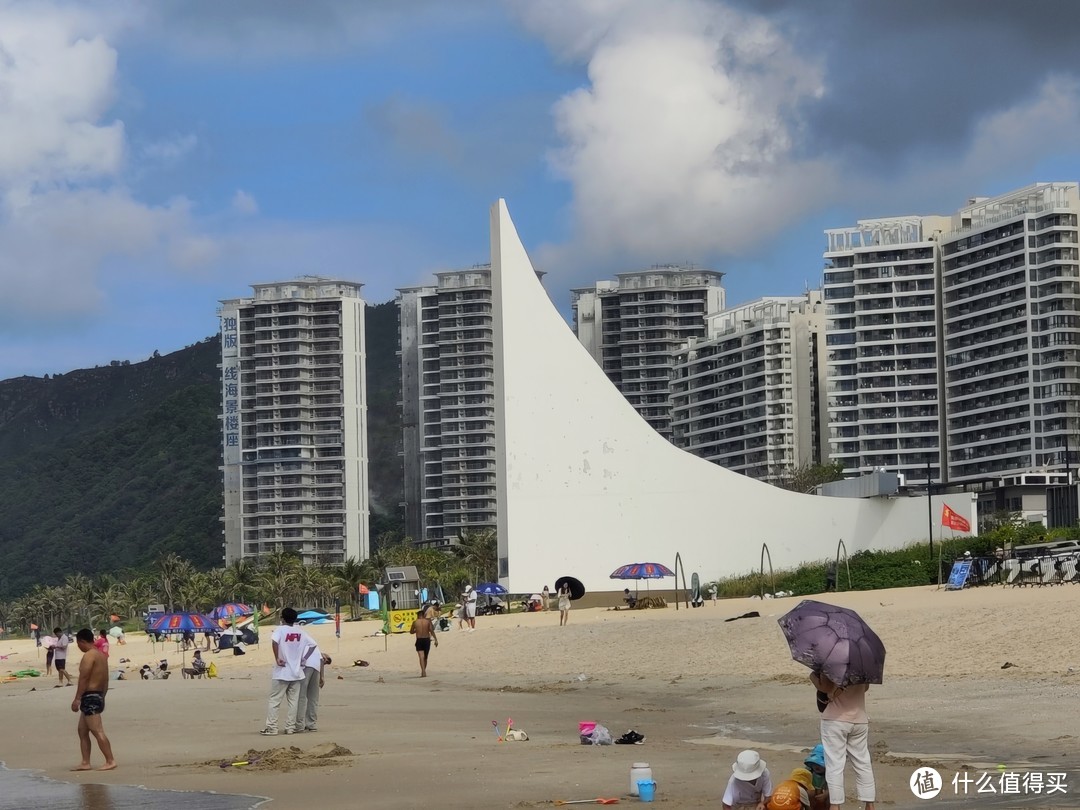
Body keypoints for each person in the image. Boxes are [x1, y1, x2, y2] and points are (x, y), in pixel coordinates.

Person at [809, 671, 875, 810]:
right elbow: (866, 687)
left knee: (834, 764)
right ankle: (869, 804)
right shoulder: (862, 665)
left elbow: (825, 687)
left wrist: (813, 676)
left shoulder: (833, 663)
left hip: (835, 720)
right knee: (863, 763)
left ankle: (835, 805)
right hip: (859, 720)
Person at [260, 607, 315, 736]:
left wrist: (277, 658)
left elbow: (274, 641)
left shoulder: (280, 630)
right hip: (296, 672)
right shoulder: (301, 632)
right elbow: (313, 645)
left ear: (282, 618)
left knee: (275, 700)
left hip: (282, 672)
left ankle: (272, 727)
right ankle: (290, 727)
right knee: (293, 702)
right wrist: (304, 659)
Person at [71, 628, 117, 771]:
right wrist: (102, 696)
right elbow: (106, 679)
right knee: (82, 730)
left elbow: (84, 678)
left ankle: (110, 760)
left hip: (90, 696)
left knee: (97, 730)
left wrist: (77, 699)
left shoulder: (89, 656)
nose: (78, 647)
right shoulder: (101, 656)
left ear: (82, 641)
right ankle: (85, 762)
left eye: (78, 644)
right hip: (97, 694)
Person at [295, 645, 329, 731]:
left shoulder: (302, 641)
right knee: (313, 697)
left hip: (305, 667)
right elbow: (321, 660)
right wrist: (322, 677)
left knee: (301, 696)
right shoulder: (314, 645)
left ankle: (299, 724)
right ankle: (311, 724)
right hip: (316, 667)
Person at [409, 610, 439, 677]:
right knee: (425, 657)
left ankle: (423, 671)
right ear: (423, 615)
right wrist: (436, 640)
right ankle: (424, 671)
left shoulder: (415, 622)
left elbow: (411, 632)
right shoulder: (428, 622)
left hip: (419, 640)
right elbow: (431, 631)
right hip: (426, 640)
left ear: (418, 615)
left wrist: (415, 630)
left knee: (421, 657)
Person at [803, 744, 831, 810]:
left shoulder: (830, 774)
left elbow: (834, 786)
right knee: (808, 794)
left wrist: (825, 794)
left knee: (832, 797)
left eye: (820, 765)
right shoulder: (808, 771)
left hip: (825, 794)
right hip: (811, 795)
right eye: (814, 764)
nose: (816, 766)